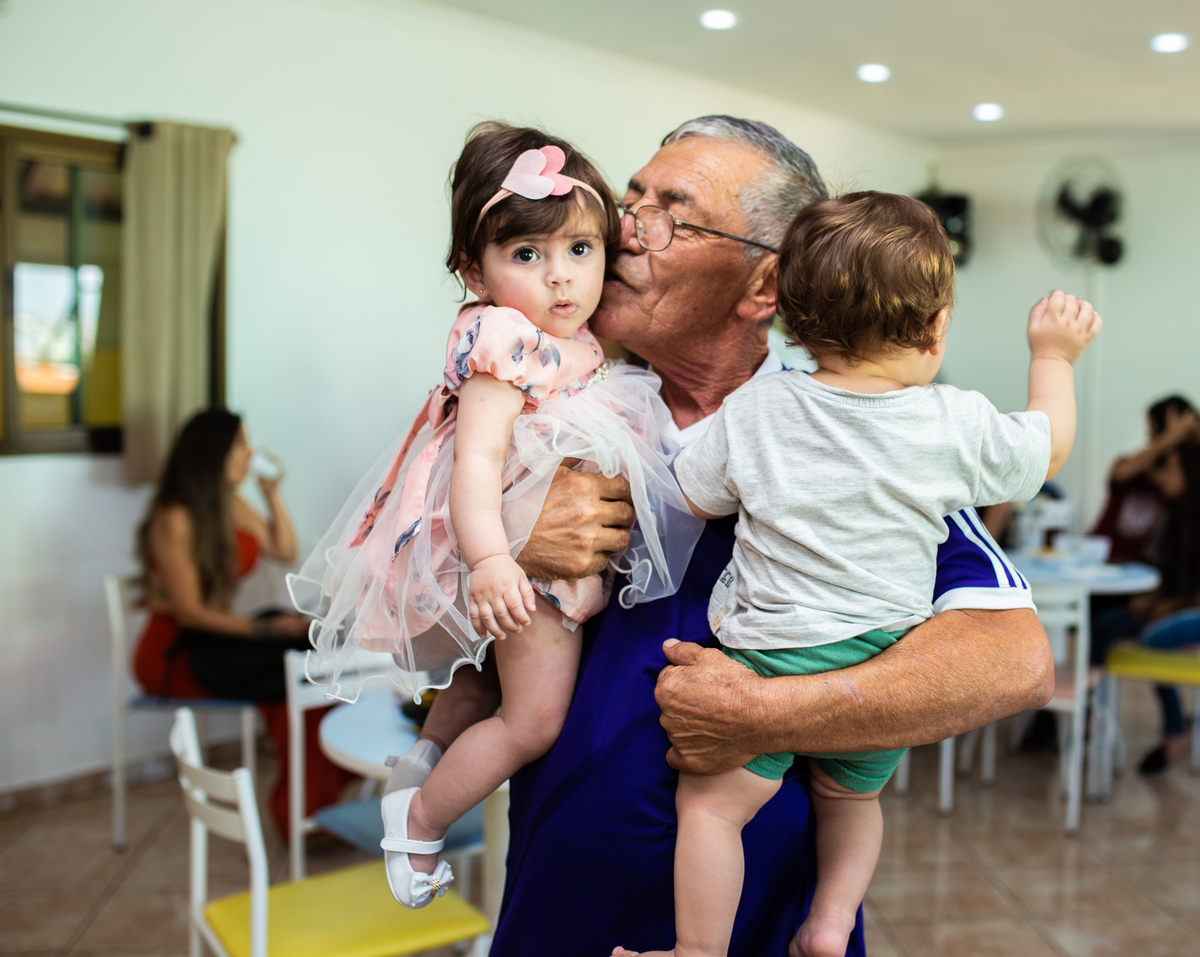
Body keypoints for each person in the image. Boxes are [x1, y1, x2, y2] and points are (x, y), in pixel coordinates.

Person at [389, 117, 1055, 956]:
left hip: (759, 922)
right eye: (628, 200)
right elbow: (400, 628)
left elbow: (1016, 662)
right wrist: (509, 544)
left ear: (766, 284)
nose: (624, 231)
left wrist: (765, 711)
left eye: (671, 214)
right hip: (555, 904)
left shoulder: (858, 441)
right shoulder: (544, 416)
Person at [615, 195, 1097, 957]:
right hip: (878, 658)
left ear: (792, 320)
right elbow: (1049, 448)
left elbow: (693, 495)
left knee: (712, 810)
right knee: (852, 799)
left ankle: (698, 949)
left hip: (770, 651)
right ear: (936, 327)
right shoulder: (952, 422)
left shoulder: (759, 406)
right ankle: (830, 922)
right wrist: (1054, 358)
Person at [291, 123, 701, 908]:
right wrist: (490, 561)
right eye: (526, 254)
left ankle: (422, 762)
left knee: (481, 679)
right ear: (472, 270)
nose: (561, 276)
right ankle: (420, 821)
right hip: (519, 559)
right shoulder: (505, 341)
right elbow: (474, 461)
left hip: (535, 554)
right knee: (535, 718)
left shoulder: (576, 339)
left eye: (579, 250)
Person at [134, 409, 354, 837]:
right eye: (240, 444)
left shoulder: (229, 502)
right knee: (289, 680)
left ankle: (309, 803)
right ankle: (300, 812)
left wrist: (272, 495)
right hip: (175, 653)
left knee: (307, 671)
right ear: (212, 451)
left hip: (215, 641)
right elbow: (190, 614)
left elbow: (284, 550)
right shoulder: (175, 517)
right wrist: (267, 631)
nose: (249, 454)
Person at [1088, 396, 1200, 772]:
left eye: (1169, 466)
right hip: (1161, 597)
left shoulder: (1185, 514)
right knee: (1101, 622)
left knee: (1140, 633)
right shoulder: (1174, 518)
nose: (1160, 476)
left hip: (1178, 605)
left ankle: (1096, 716)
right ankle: (1087, 713)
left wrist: (1164, 604)